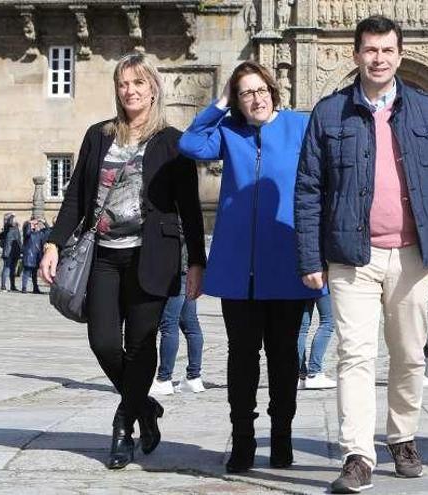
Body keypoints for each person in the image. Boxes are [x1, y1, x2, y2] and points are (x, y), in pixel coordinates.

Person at [296, 15, 428, 493]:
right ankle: (357, 454)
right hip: (353, 256)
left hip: (414, 255)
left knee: (410, 355)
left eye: (387, 50)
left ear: (399, 54)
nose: (378, 58)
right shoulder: (330, 113)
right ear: (356, 55)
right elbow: (309, 188)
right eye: (370, 50)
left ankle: (403, 436)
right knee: (354, 355)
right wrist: (310, 257)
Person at [40, 53, 206, 470]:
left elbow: (190, 207)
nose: (129, 90)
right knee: (103, 342)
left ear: (153, 87)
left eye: (137, 83)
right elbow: (77, 194)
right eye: (122, 83)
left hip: (155, 256)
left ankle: (123, 424)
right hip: (104, 256)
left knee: (141, 345)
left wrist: (197, 263)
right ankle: (145, 407)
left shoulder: (173, 141)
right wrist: (53, 244)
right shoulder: (99, 135)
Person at [179, 60, 324, 474]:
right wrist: (220, 104)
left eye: (260, 90)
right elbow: (189, 144)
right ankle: (242, 439)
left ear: (273, 91)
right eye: (245, 93)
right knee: (242, 357)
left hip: (287, 261)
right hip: (239, 266)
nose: (255, 98)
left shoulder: (300, 125)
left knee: (283, 358)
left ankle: (282, 439)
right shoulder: (228, 131)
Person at [150, 239, 205, 395]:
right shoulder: (193, 215)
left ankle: (164, 379)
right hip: (190, 268)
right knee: (191, 325)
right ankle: (194, 377)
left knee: (169, 325)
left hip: (177, 269)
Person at [297, 293, 337, 390]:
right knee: (327, 322)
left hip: (301, 283)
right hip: (322, 283)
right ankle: (314, 373)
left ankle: (299, 376)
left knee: (302, 329)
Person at [21, 217, 47, 294]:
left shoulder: (40, 234)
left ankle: (35, 288)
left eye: (37, 224)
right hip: (29, 255)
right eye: (34, 224)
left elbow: (48, 230)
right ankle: (24, 288)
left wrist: (44, 222)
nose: (36, 226)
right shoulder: (28, 234)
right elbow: (27, 232)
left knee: (34, 274)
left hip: (37, 256)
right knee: (26, 272)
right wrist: (30, 223)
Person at [0, 213, 22, 292]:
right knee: (6, 268)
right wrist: (12, 215)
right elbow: (8, 222)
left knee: (13, 270)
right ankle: (3, 286)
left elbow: (19, 240)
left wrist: (21, 250)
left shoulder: (16, 228)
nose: (14, 221)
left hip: (15, 251)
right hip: (8, 252)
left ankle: (13, 286)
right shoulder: (7, 227)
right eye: (12, 220)